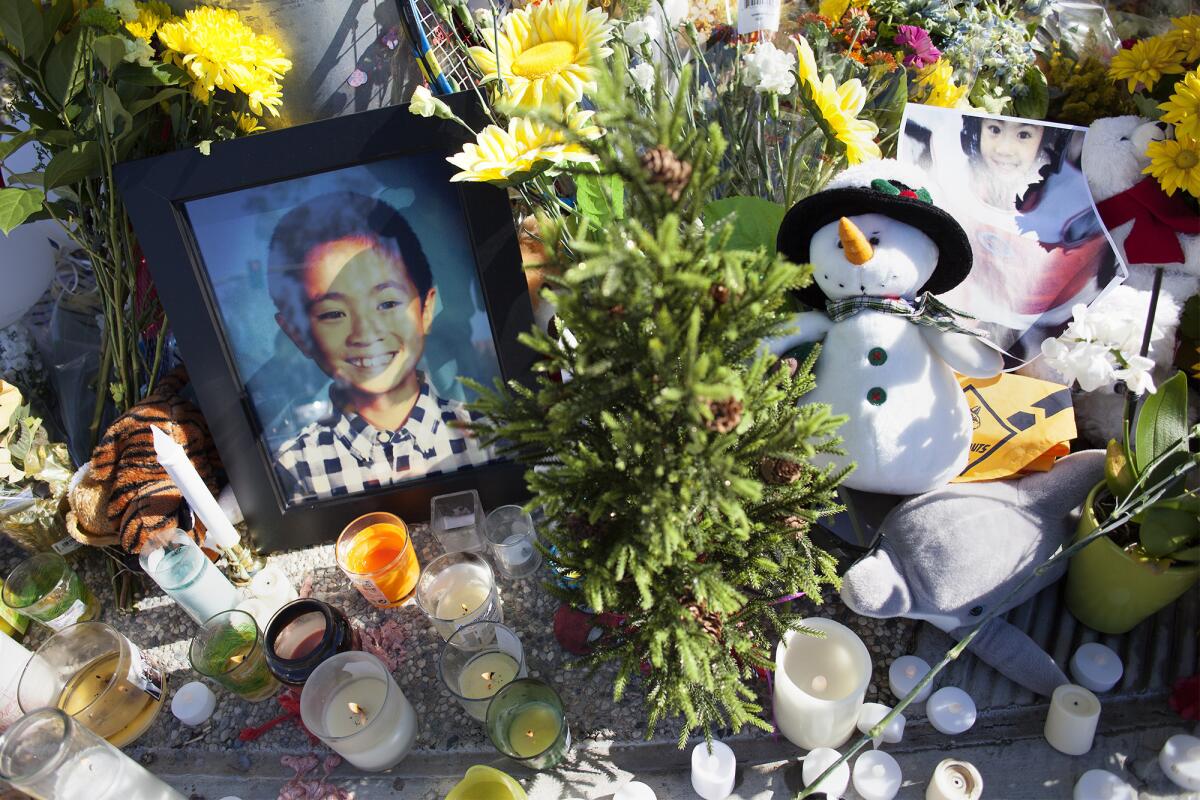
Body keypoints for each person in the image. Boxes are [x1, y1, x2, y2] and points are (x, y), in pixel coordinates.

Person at [267, 191, 493, 503]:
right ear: (297, 334)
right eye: (333, 313)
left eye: (387, 303)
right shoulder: (293, 470)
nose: (365, 333)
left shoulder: (492, 436)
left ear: (426, 309)